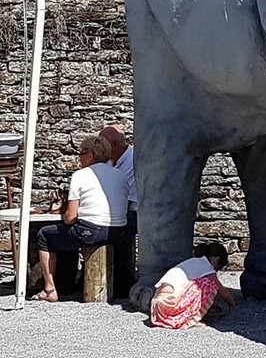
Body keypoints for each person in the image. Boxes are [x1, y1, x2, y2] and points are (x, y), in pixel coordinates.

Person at [34, 136, 129, 302]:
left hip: (91, 230)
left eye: (81, 153)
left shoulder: (81, 175)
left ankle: (50, 289)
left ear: (90, 155)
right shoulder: (120, 175)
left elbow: (70, 217)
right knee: (66, 234)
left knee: (45, 235)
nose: (79, 157)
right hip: (119, 231)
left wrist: (59, 210)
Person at [150, 243, 236, 329]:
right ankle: (192, 318)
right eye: (219, 267)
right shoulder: (207, 268)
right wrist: (232, 304)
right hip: (171, 303)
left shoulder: (192, 262)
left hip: (158, 306)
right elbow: (222, 291)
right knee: (209, 284)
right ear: (216, 260)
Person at [99, 125, 137, 229]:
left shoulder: (133, 161)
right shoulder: (108, 161)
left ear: (113, 145)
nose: (100, 148)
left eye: (102, 145)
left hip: (132, 213)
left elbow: (127, 201)